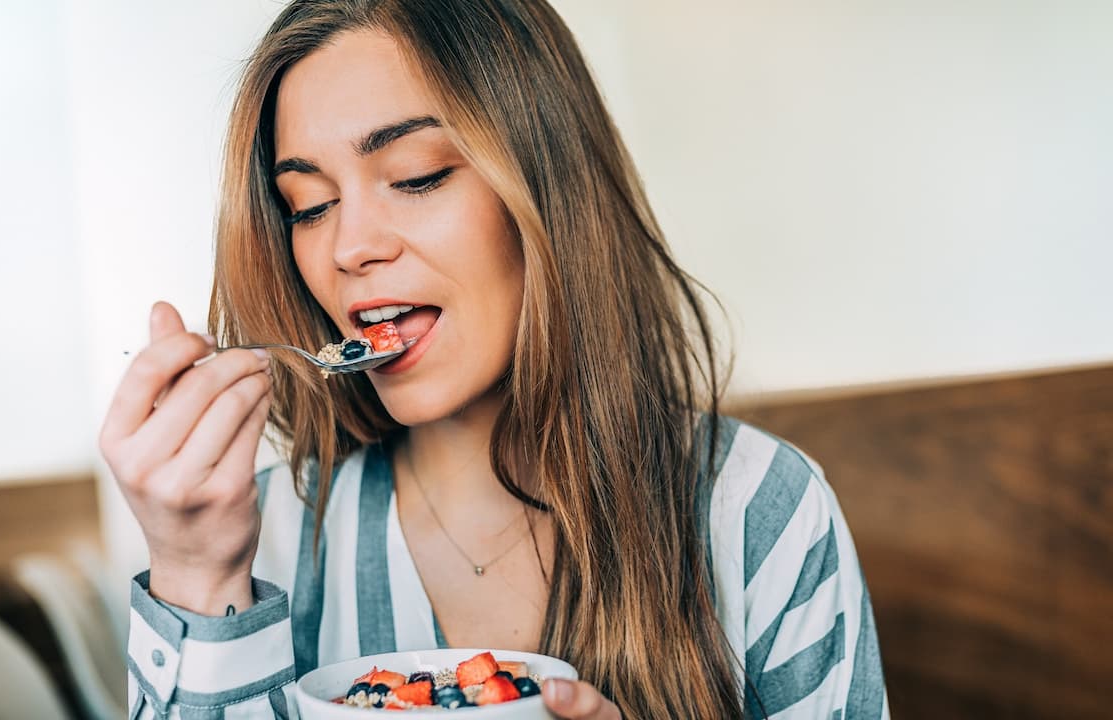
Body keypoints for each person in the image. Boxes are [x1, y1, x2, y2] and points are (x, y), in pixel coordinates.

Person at [99, 1, 889, 718]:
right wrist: (197, 578)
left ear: (547, 189)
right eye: (310, 206)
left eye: (416, 176)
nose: (349, 247)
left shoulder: (757, 514)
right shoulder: (261, 540)